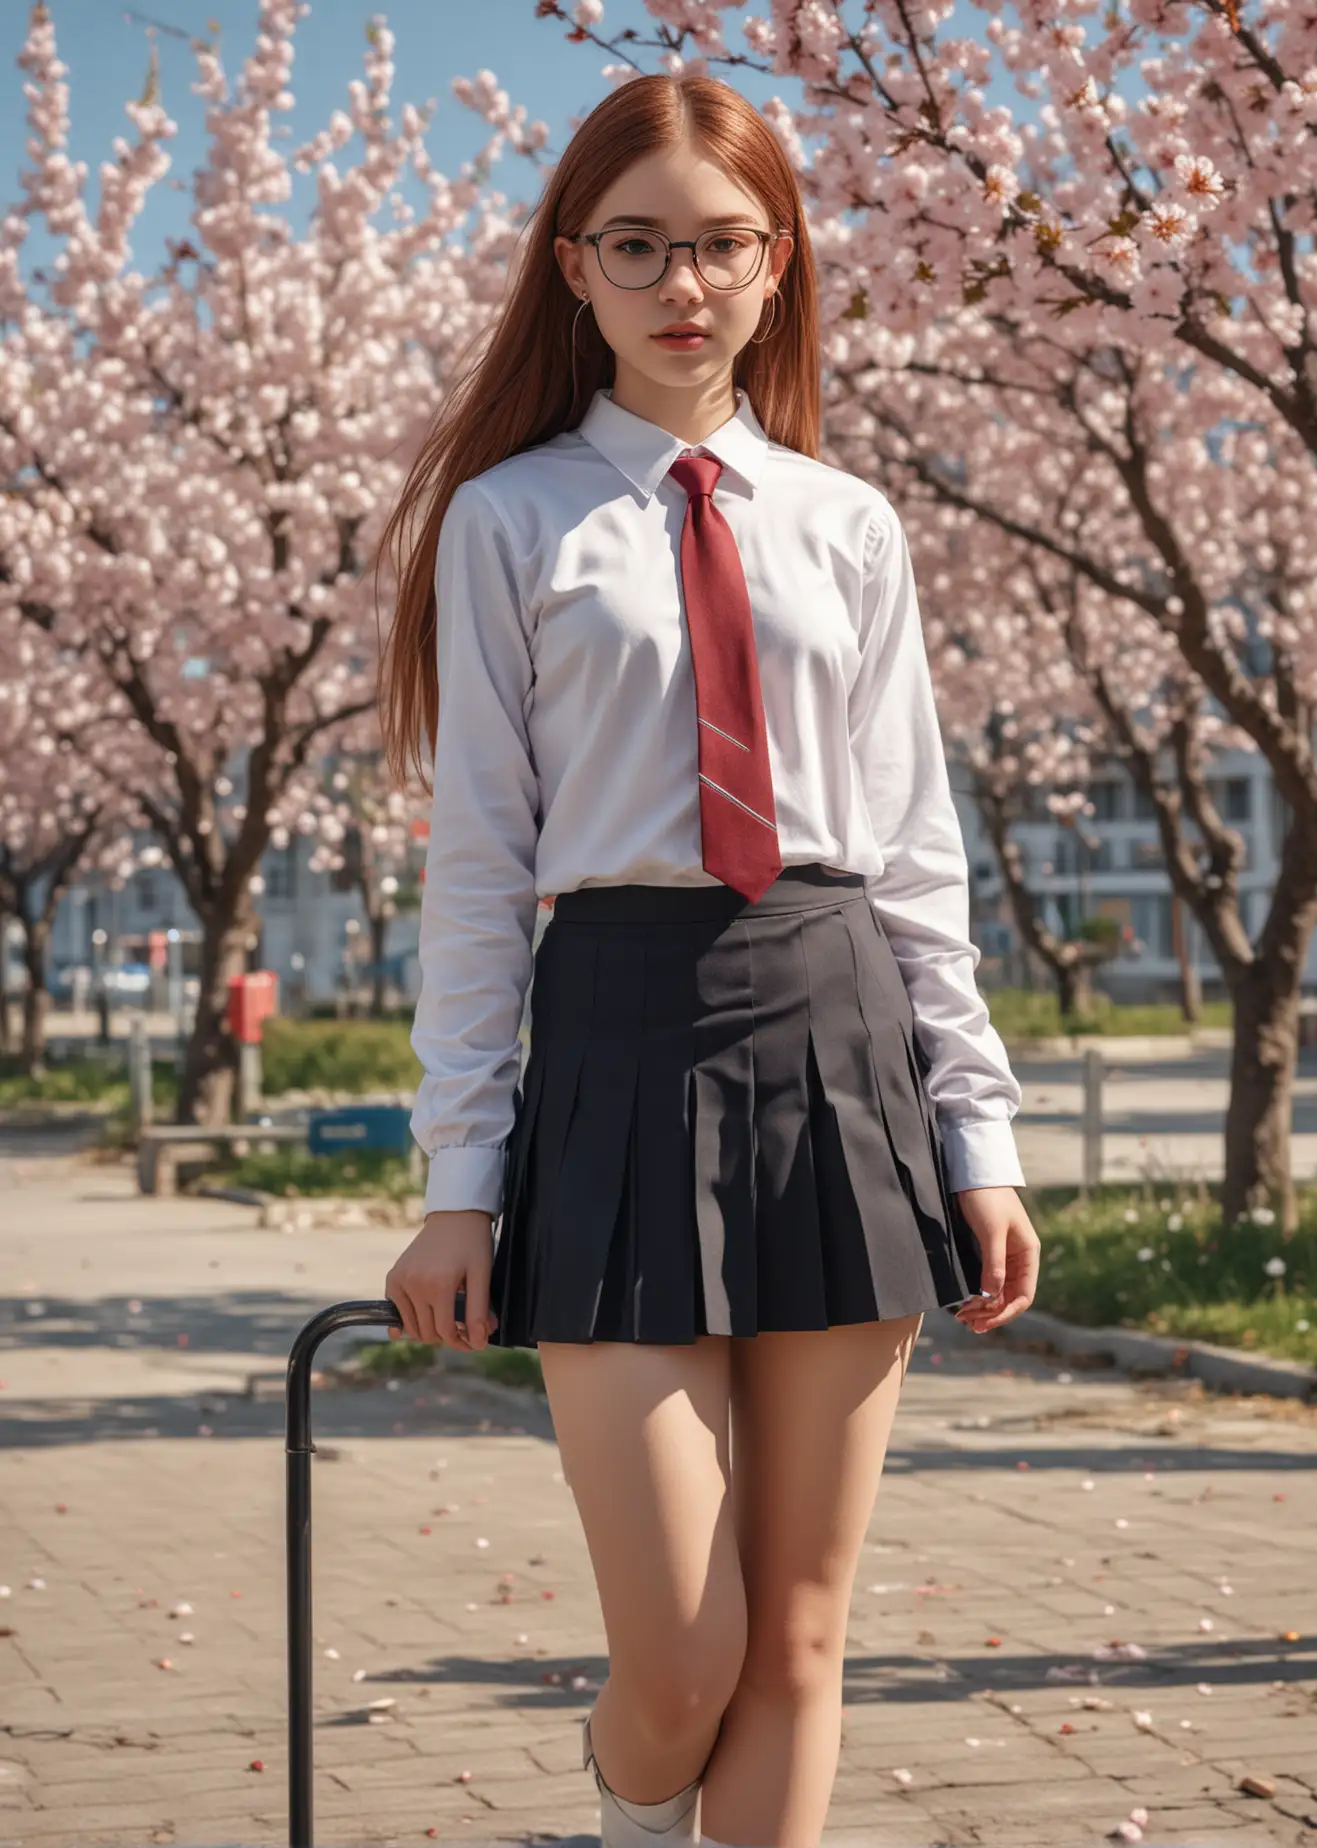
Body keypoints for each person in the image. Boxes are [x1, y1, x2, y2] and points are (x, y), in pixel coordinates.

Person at [374, 71, 1040, 1848]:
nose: (684, 281)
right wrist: (460, 1178)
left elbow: (915, 861)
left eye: (722, 244)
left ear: (779, 261)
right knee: (683, 1655)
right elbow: (478, 870)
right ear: (573, 267)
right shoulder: (511, 523)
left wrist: (978, 1138)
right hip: (612, 1041)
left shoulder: (849, 524)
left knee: (802, 1640)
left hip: (840, 1039)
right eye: (639, 245)